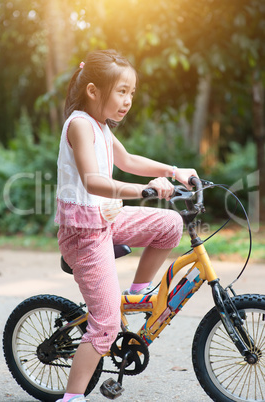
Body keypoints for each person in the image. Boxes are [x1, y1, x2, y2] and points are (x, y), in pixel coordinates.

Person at [55, 49, 198, 402]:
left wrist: (172, 171)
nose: (127, 101)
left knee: (169, 224)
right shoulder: (79, 124)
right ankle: (72, 398)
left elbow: (129, 160)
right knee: (104, 326)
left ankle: (134, 296)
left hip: (105, 220)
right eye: (121, 91)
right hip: (83, 233)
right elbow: (93, 180)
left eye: (131, 93)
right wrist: (145, 190)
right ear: (93, 90)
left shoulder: (101, 127)